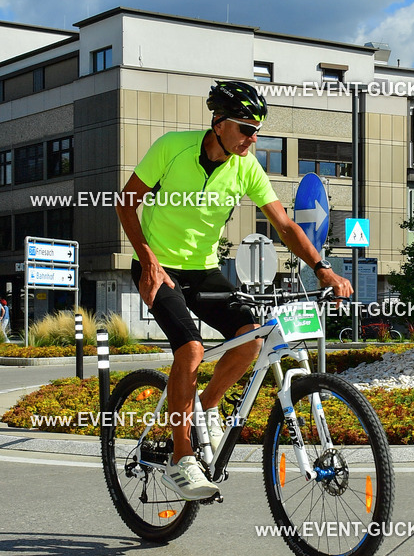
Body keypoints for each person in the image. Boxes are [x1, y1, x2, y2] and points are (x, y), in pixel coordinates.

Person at [116, 79, 352, 501]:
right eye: (246, 128)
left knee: (249, 341)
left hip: (203, 270)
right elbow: (125, 201)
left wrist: (322, 268)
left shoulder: (246, 168)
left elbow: (284, 226)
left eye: (257, 129)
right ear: (219, 123)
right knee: (189, 349)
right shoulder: (172, 148)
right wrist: (148, 259)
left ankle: (200, 410)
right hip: (157, 267)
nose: (253, 138)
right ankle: (181, 459)